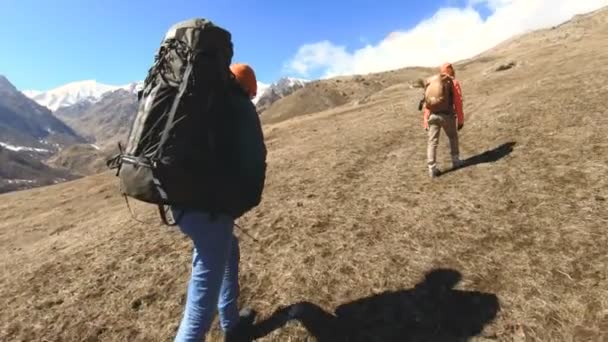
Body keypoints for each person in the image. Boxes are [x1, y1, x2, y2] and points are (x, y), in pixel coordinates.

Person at [172, 63, 267, 341]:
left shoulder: (203, 100)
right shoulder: (237, 106)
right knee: (198, 311)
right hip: (208, 209)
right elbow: (254, 161)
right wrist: (240, 202)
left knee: (229, 248)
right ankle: (224, 325)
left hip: (178, 198)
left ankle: (232, 323)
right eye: (252, 94)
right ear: (248, 89)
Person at [422, 62, 465, 178]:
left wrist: (426, 119)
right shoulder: (452, 81)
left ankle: (432, 168)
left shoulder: (433, 83)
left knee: (432, 142)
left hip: (432, 116)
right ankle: (456, 161)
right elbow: (458, 102)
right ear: (451, 70)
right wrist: (460, 120)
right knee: (452, 137)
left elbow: (427, 103)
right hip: (447, 115)